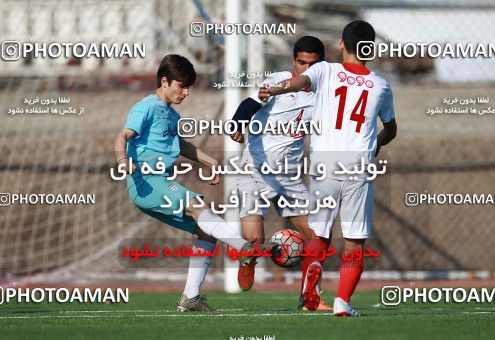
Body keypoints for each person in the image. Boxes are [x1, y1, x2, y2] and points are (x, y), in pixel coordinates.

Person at [258, 20, 398, 316]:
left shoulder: (325, 70)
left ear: (342, 45)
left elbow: (298, 83)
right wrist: (375, 144)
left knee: (318, 235)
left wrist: (274, 88)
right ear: (370, 48)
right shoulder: (381, 85)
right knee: (354, 241)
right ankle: (342, 302)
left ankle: (311, 294)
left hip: (325, 164)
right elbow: (391, 129)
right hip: (358, 164)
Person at [114, 54, 266, 312]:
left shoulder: (171, 115)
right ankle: (244, 249)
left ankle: (190, 298)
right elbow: (123, 136)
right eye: (181, 86)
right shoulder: (146, 107)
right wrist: (122, 160)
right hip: (146, 183)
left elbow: (181, 145)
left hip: (159, 183)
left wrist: (209, 162)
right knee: (197, 206)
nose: (186, 92)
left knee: (205, 230)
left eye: (188, 88)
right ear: (164, 81)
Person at [230, 36, 332, 311]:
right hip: (255, 172)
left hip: (289, 179)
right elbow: (250, 104)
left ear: (321, 66)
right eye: (301, 63)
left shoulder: (326, 93)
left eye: (313, 64)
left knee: (316, 237)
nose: (306, 69)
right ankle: (248, 261)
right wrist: (238, 124)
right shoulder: (277, 82)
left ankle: (310, 299)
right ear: (293, 61)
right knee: (255, 242)